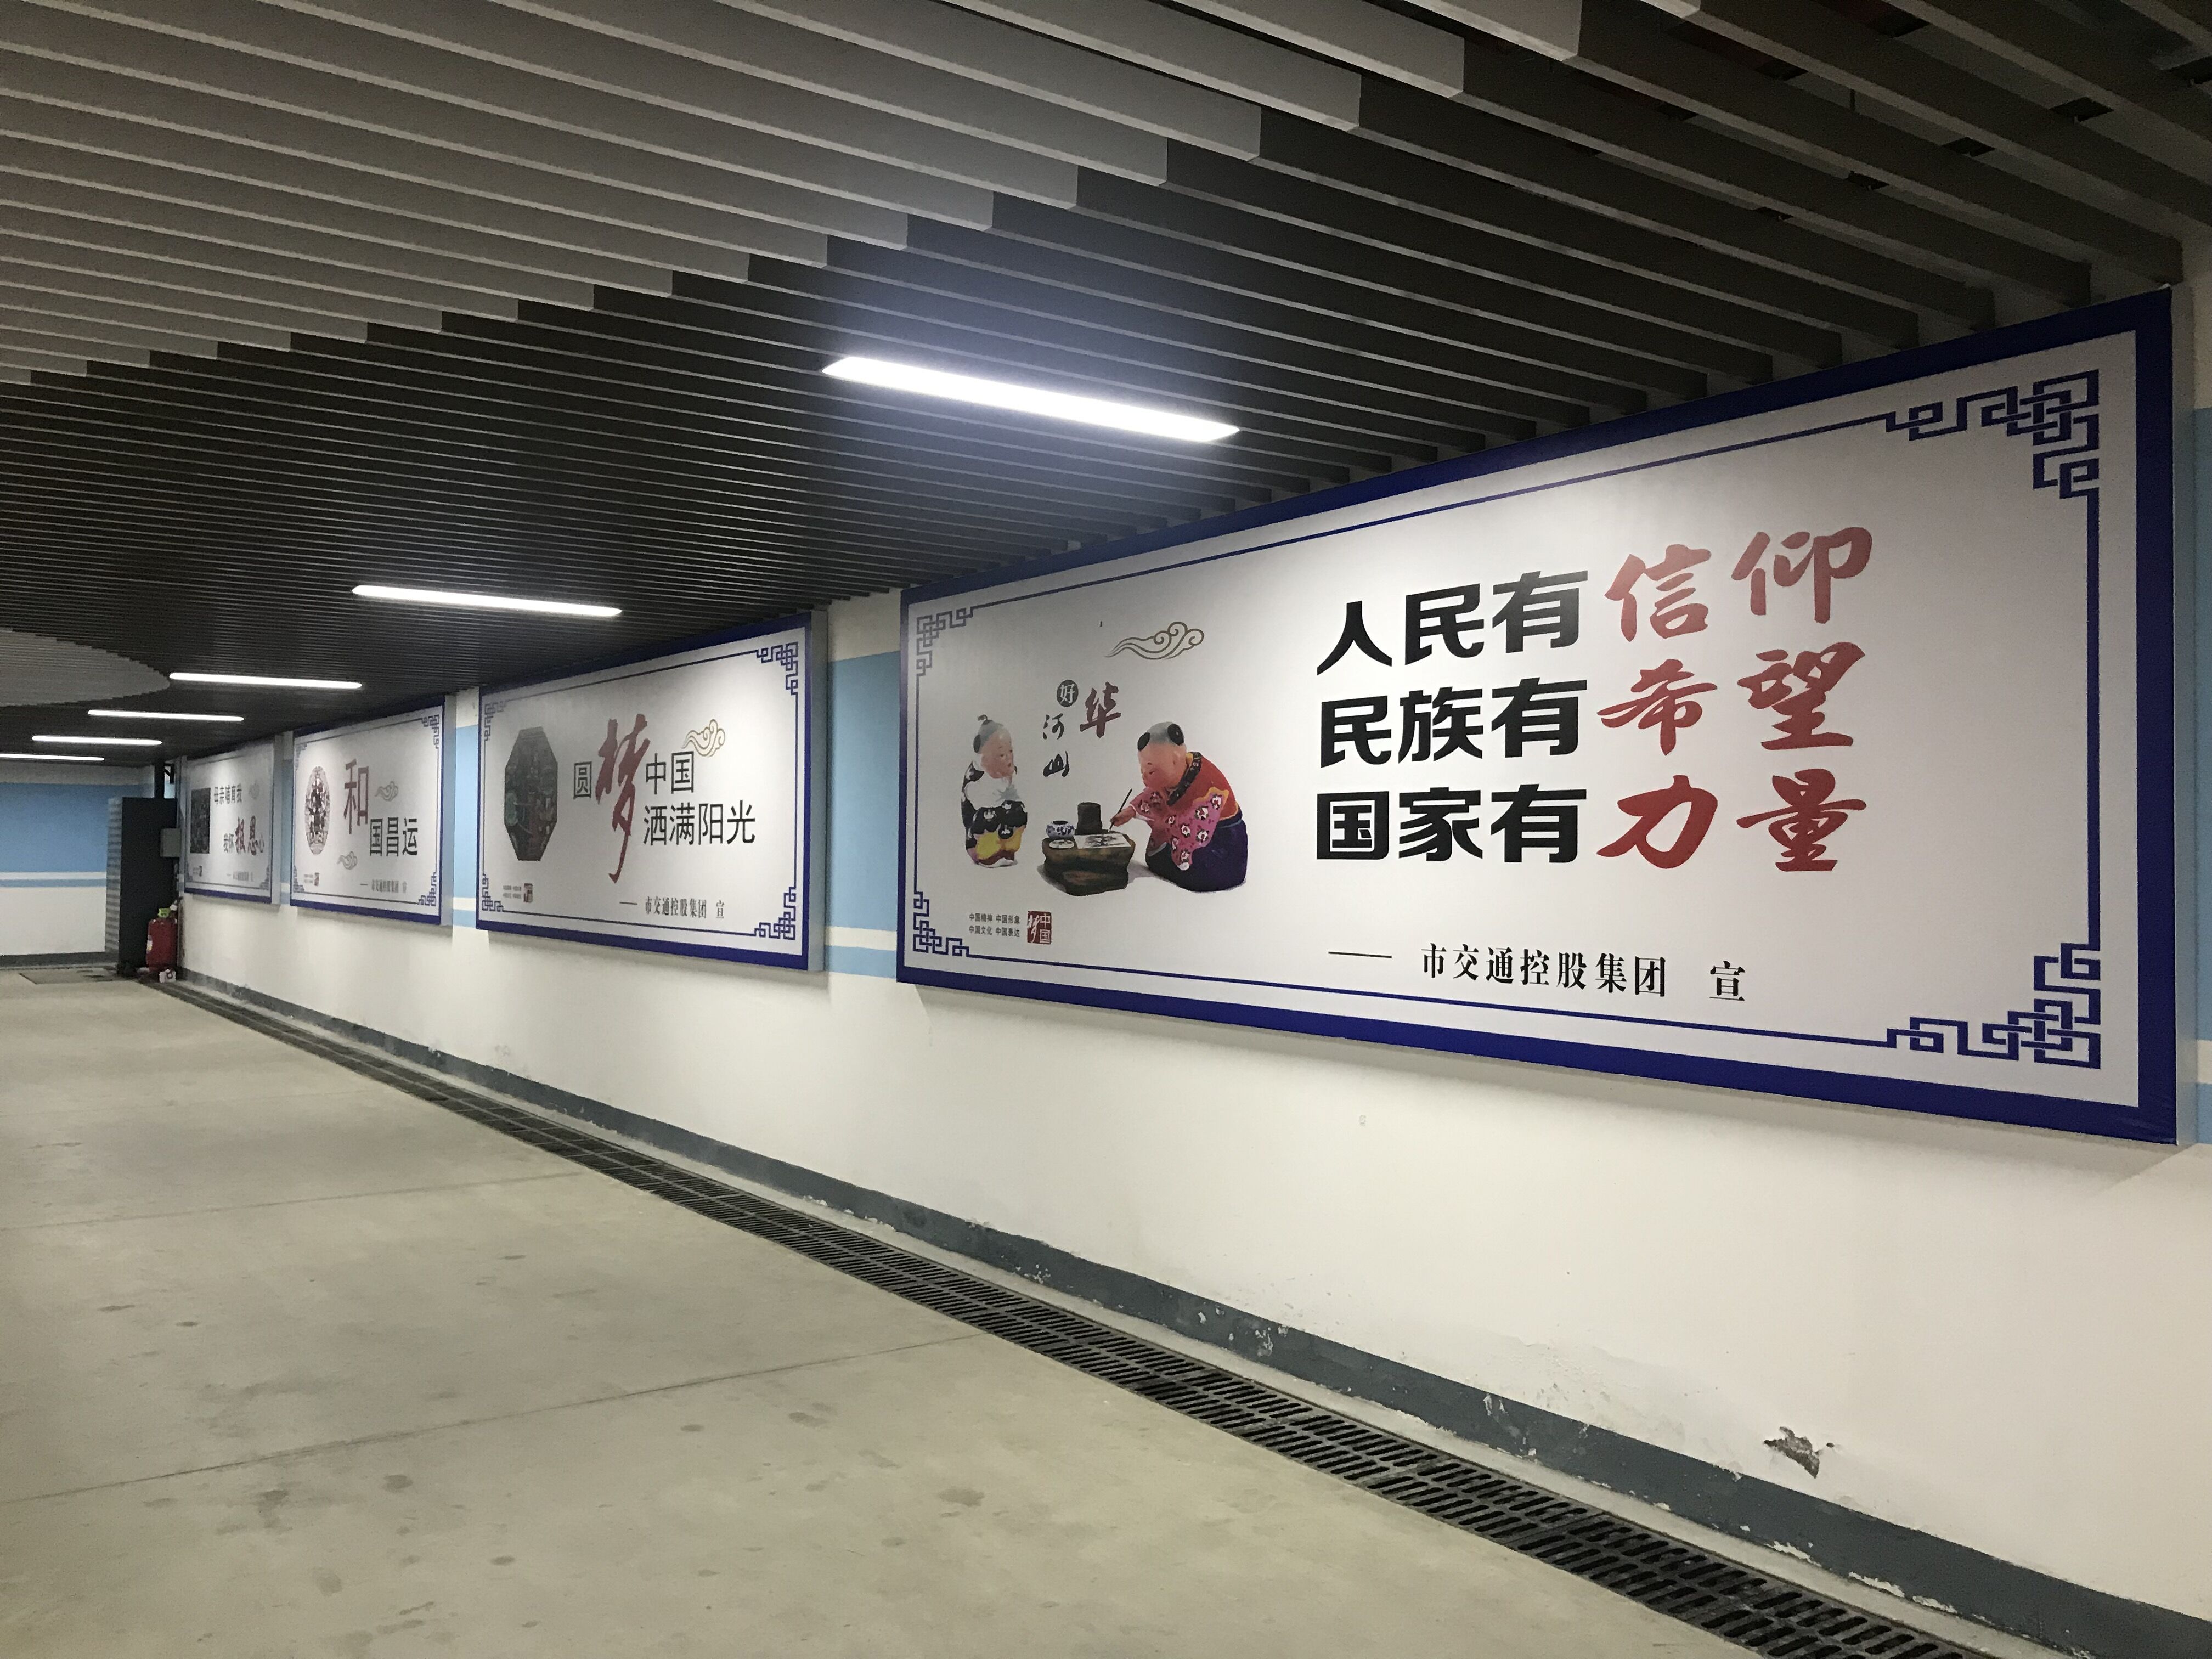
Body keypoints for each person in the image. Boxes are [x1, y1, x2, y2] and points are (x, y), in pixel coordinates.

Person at [1112, 721, 1246, 891]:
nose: (1145, 777)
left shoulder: (1209, 783)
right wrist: (1131, 811)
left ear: (1175, 760)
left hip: (1221, 843)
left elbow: (1195, 824)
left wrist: (1164, 824)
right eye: (1143, 771)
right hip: (1181, 835)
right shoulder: (1171, 777)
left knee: (1201, 873)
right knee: (1155, 858)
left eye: (1151, 771)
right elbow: (1154, 795)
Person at [961, 716, 1026, 866]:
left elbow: (1014, 797)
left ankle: (1007, 849)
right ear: (984, 757)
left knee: (1019, 810)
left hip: (1003, 825)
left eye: (1010, 751)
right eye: (1002, 755)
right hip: (979, 839)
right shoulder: (976, 777)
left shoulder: (1005, 773)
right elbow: (984, 802)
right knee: (988, 817)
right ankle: (988, 855)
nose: (1009, 758)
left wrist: (1009, 779)